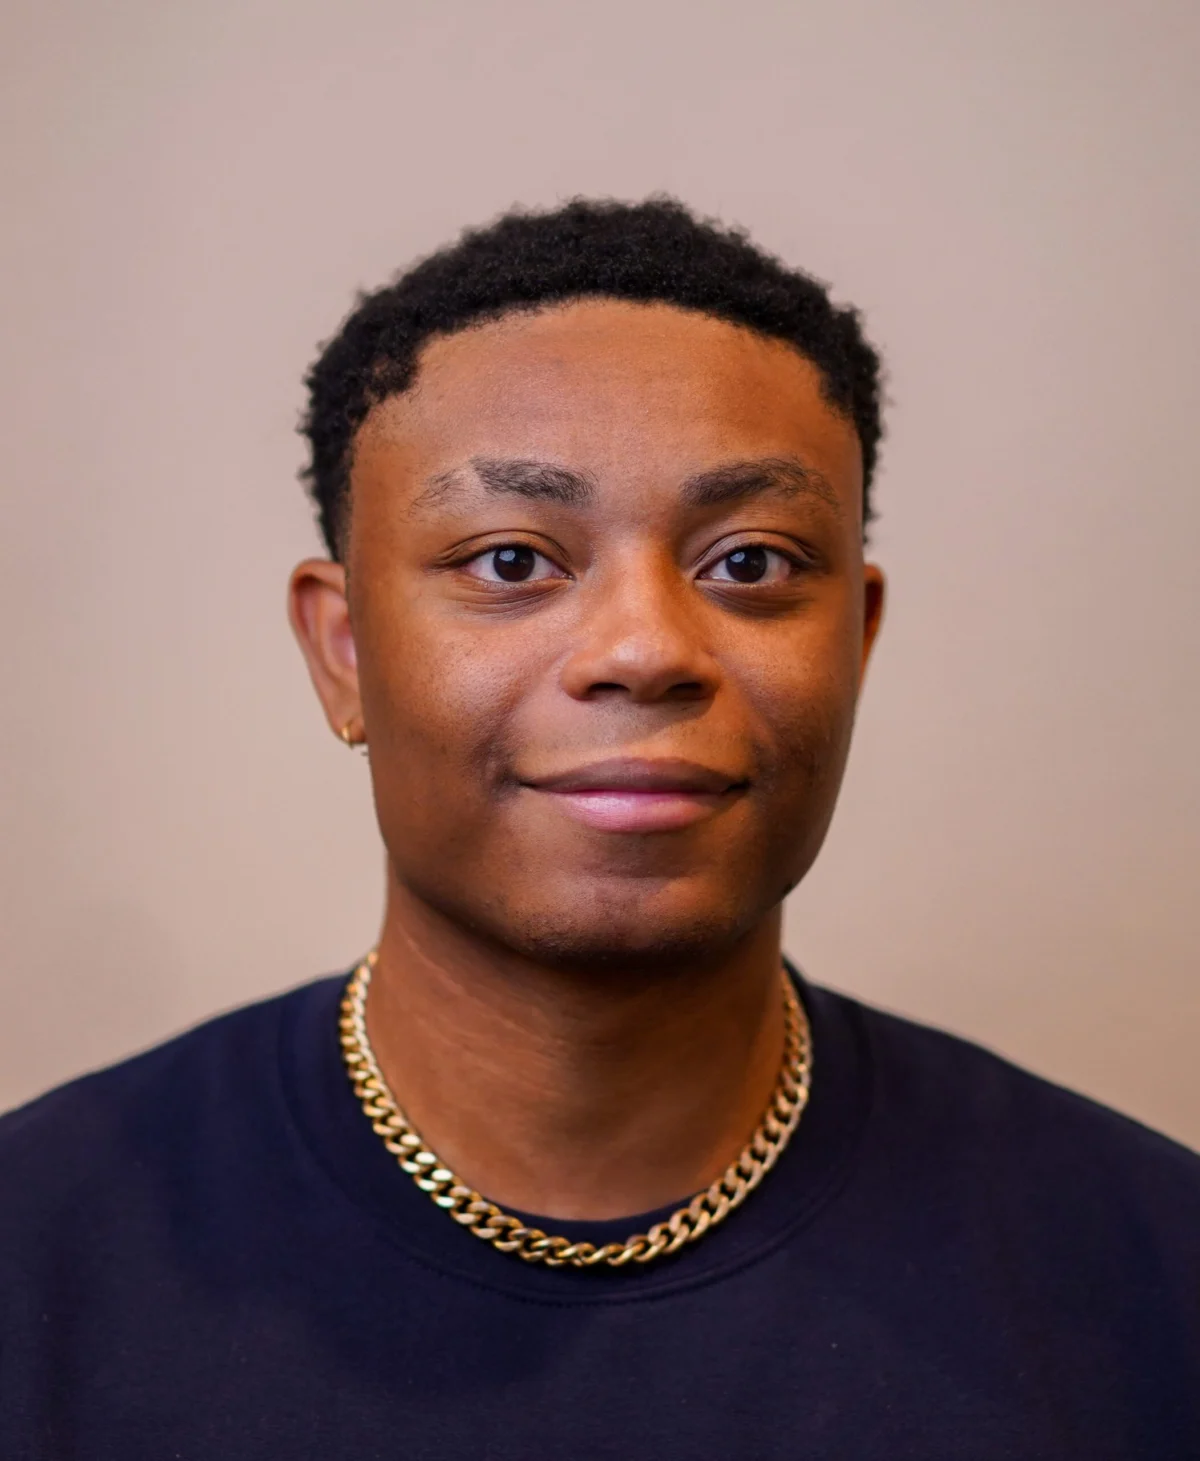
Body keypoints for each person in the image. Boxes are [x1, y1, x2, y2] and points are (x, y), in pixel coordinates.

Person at [1, 197, 1197, 1459]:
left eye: (750, 562)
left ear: (856, 637)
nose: (644, 650)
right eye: (512, 561)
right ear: (344, 652)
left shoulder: (1151, 1274)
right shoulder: (38, 1259)